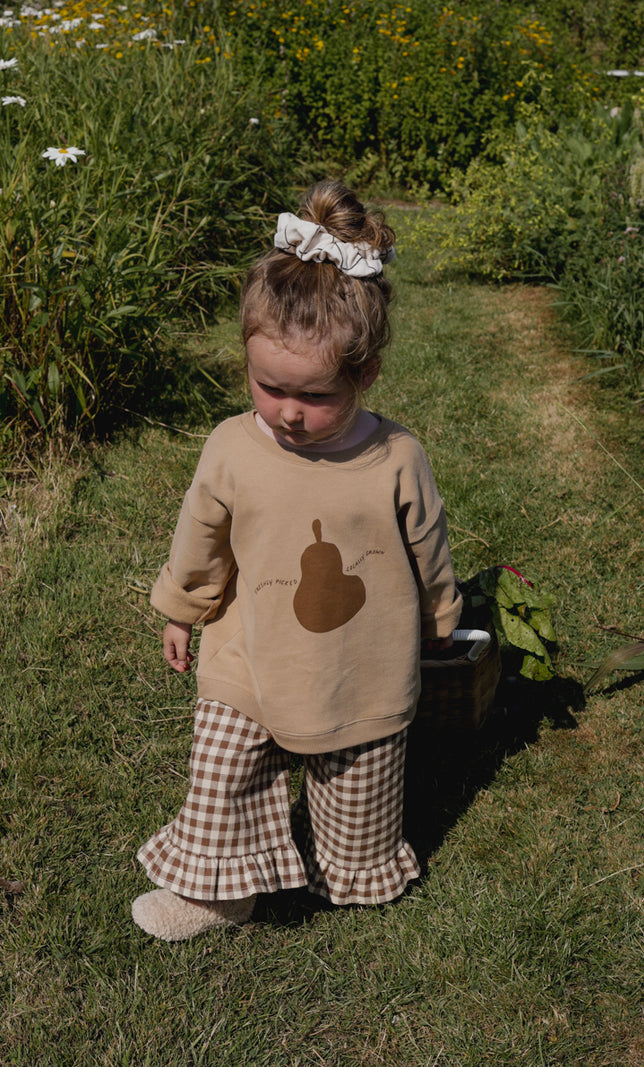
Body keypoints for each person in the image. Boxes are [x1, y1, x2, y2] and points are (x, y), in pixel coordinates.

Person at [131, 180, 462, 941]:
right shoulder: (232, 446)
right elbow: (200, 537)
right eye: (267, 385)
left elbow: (429, 543)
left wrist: (443, 612)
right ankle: (215, 892)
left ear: (365, 374)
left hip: (362, 660)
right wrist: (183, 609)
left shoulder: (395, 456)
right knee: (223, 770)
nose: (284, 410)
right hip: (250, 646)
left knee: (357, 795)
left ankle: (355, 866)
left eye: (311, 396)